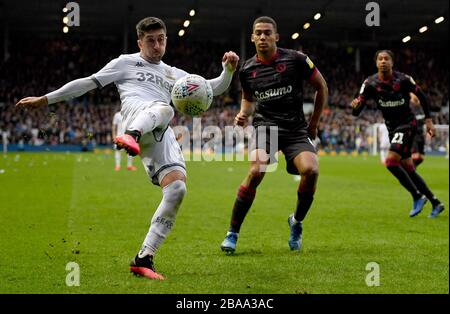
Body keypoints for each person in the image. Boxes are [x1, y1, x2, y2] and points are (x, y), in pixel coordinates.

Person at [16, 16, 239, 279]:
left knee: (177, 189)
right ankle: (131, 135)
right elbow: (87, 82)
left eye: (161, 39)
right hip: (136, 117)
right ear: (139, 42)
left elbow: (211, 89)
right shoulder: (125, 62)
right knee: (165, 108)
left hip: (158, 132)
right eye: (150, 41)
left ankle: (144, 258)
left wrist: (228, 71)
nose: (156, 46)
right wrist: (46, 99)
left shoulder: (175, 75)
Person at [220, 16, 328, 253]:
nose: (262, 37)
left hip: (295, 129)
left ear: (276, 37)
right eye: (258, 33)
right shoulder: (247, 69)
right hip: (265, 126)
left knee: (311, 171)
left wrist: (314, 123)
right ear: (252, 37)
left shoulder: (296, 59)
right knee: (257, 169)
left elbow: (321, 86)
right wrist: (243, 114)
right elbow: (248, 99)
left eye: (267, 33)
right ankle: (232, 233)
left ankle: (296, 222)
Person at [351, 49, 444, 218]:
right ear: (376, 62)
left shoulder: (403, 80)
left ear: (392, 63)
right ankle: (436, 202)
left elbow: (422, 96)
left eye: (387, 59)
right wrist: (355, 107)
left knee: (391, 162)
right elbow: (357, 110)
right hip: (392, 128)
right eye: (380, 59)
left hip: (408, 124)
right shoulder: (370, 83)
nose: (383, 61)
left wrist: (429, 120)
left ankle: (417, 196)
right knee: (409, 168)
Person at [409, 93, 426, 167]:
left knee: (421, 157)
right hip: (413, 135)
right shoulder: (409, 107)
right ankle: (410, 172)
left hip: (421, 134)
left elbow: (424, 121)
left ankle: (412, 169)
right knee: (415, 155)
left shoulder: (421, 107)